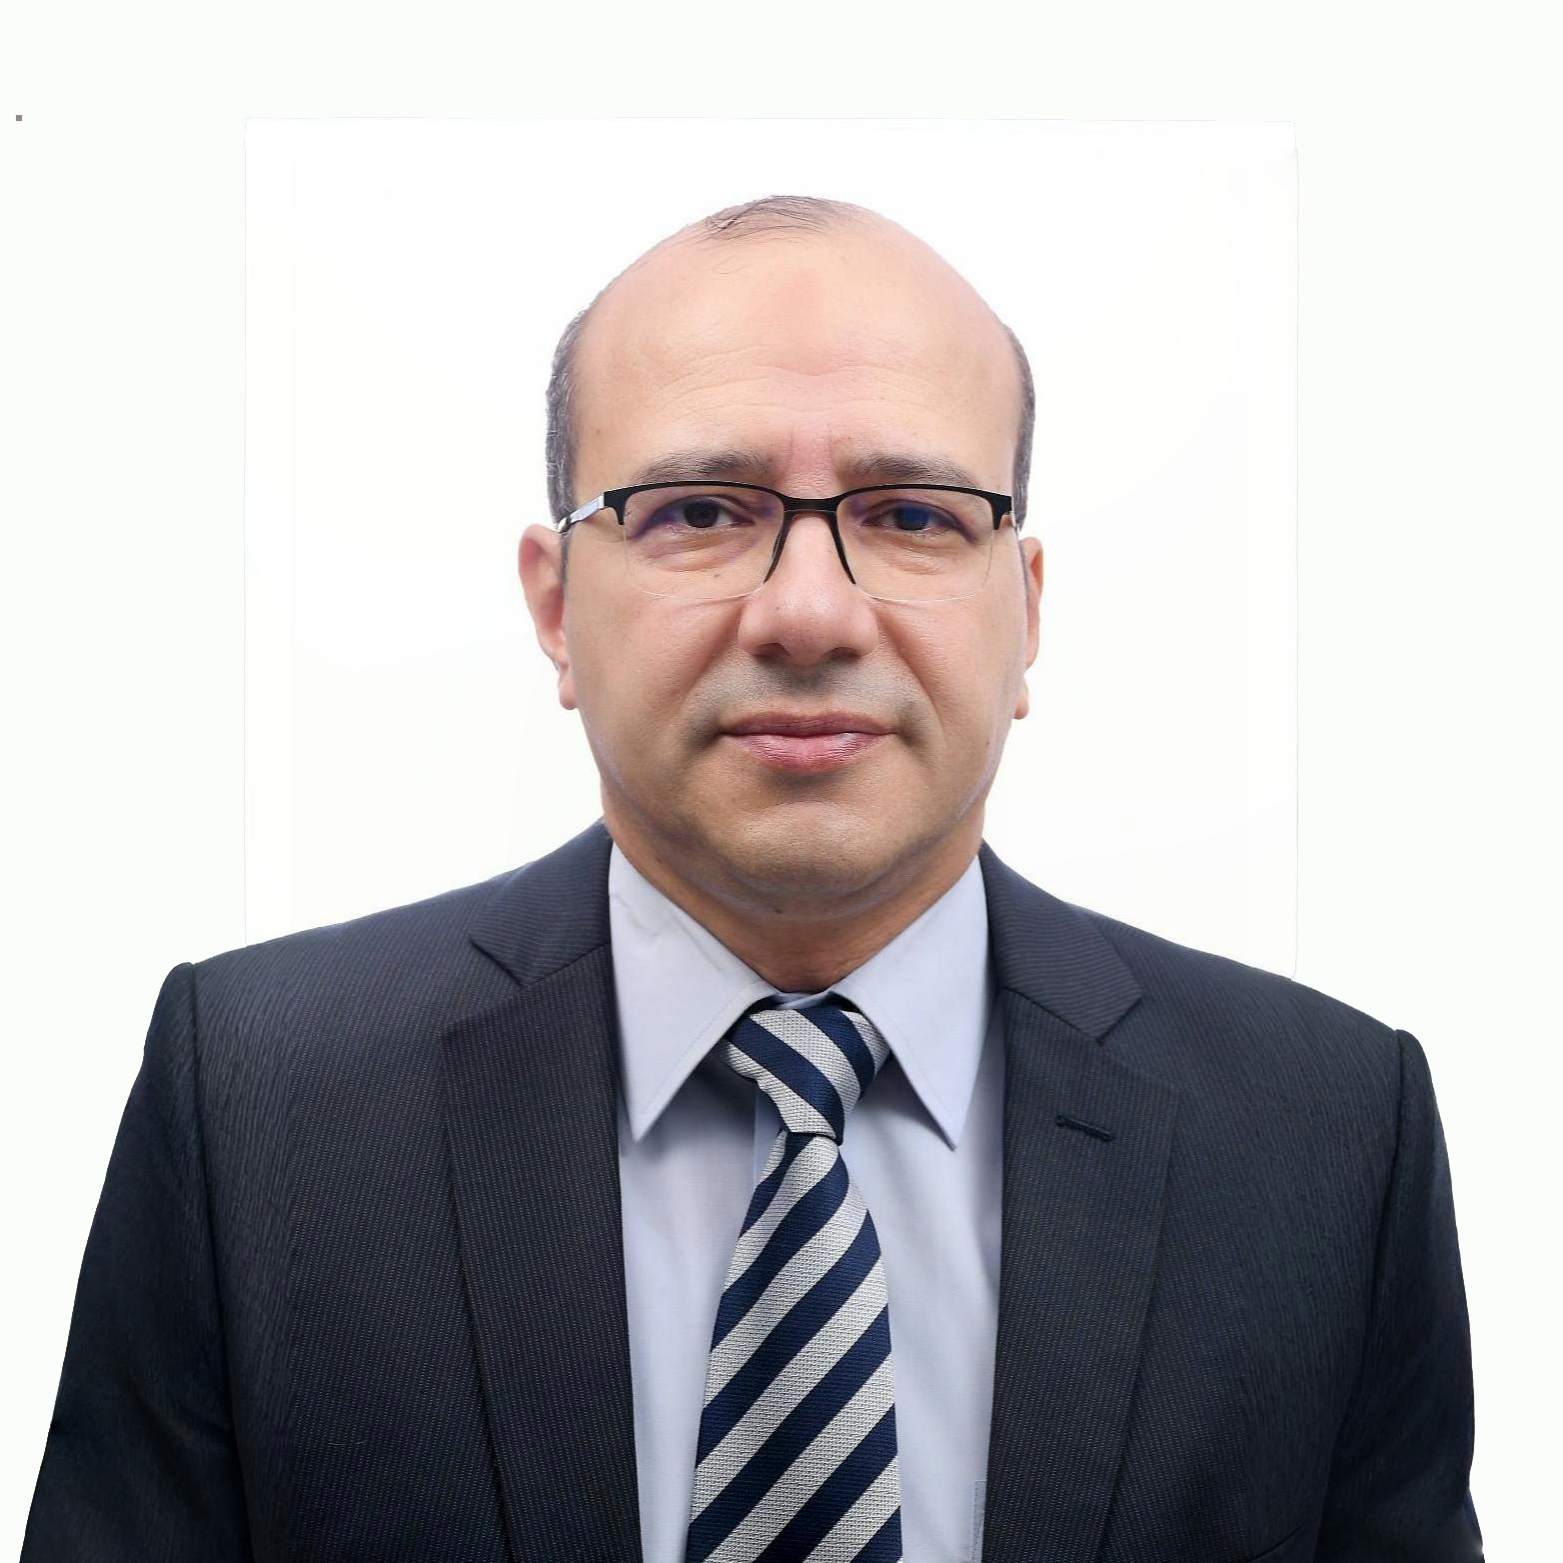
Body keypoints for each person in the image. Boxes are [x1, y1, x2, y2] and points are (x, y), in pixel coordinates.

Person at [21, 193, 1481, 1563]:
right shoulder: (259, 1109)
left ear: (1024, 610)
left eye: (913, 514)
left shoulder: (1323, 1135)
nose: (807, 612)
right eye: (699, 512)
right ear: (554, 606)